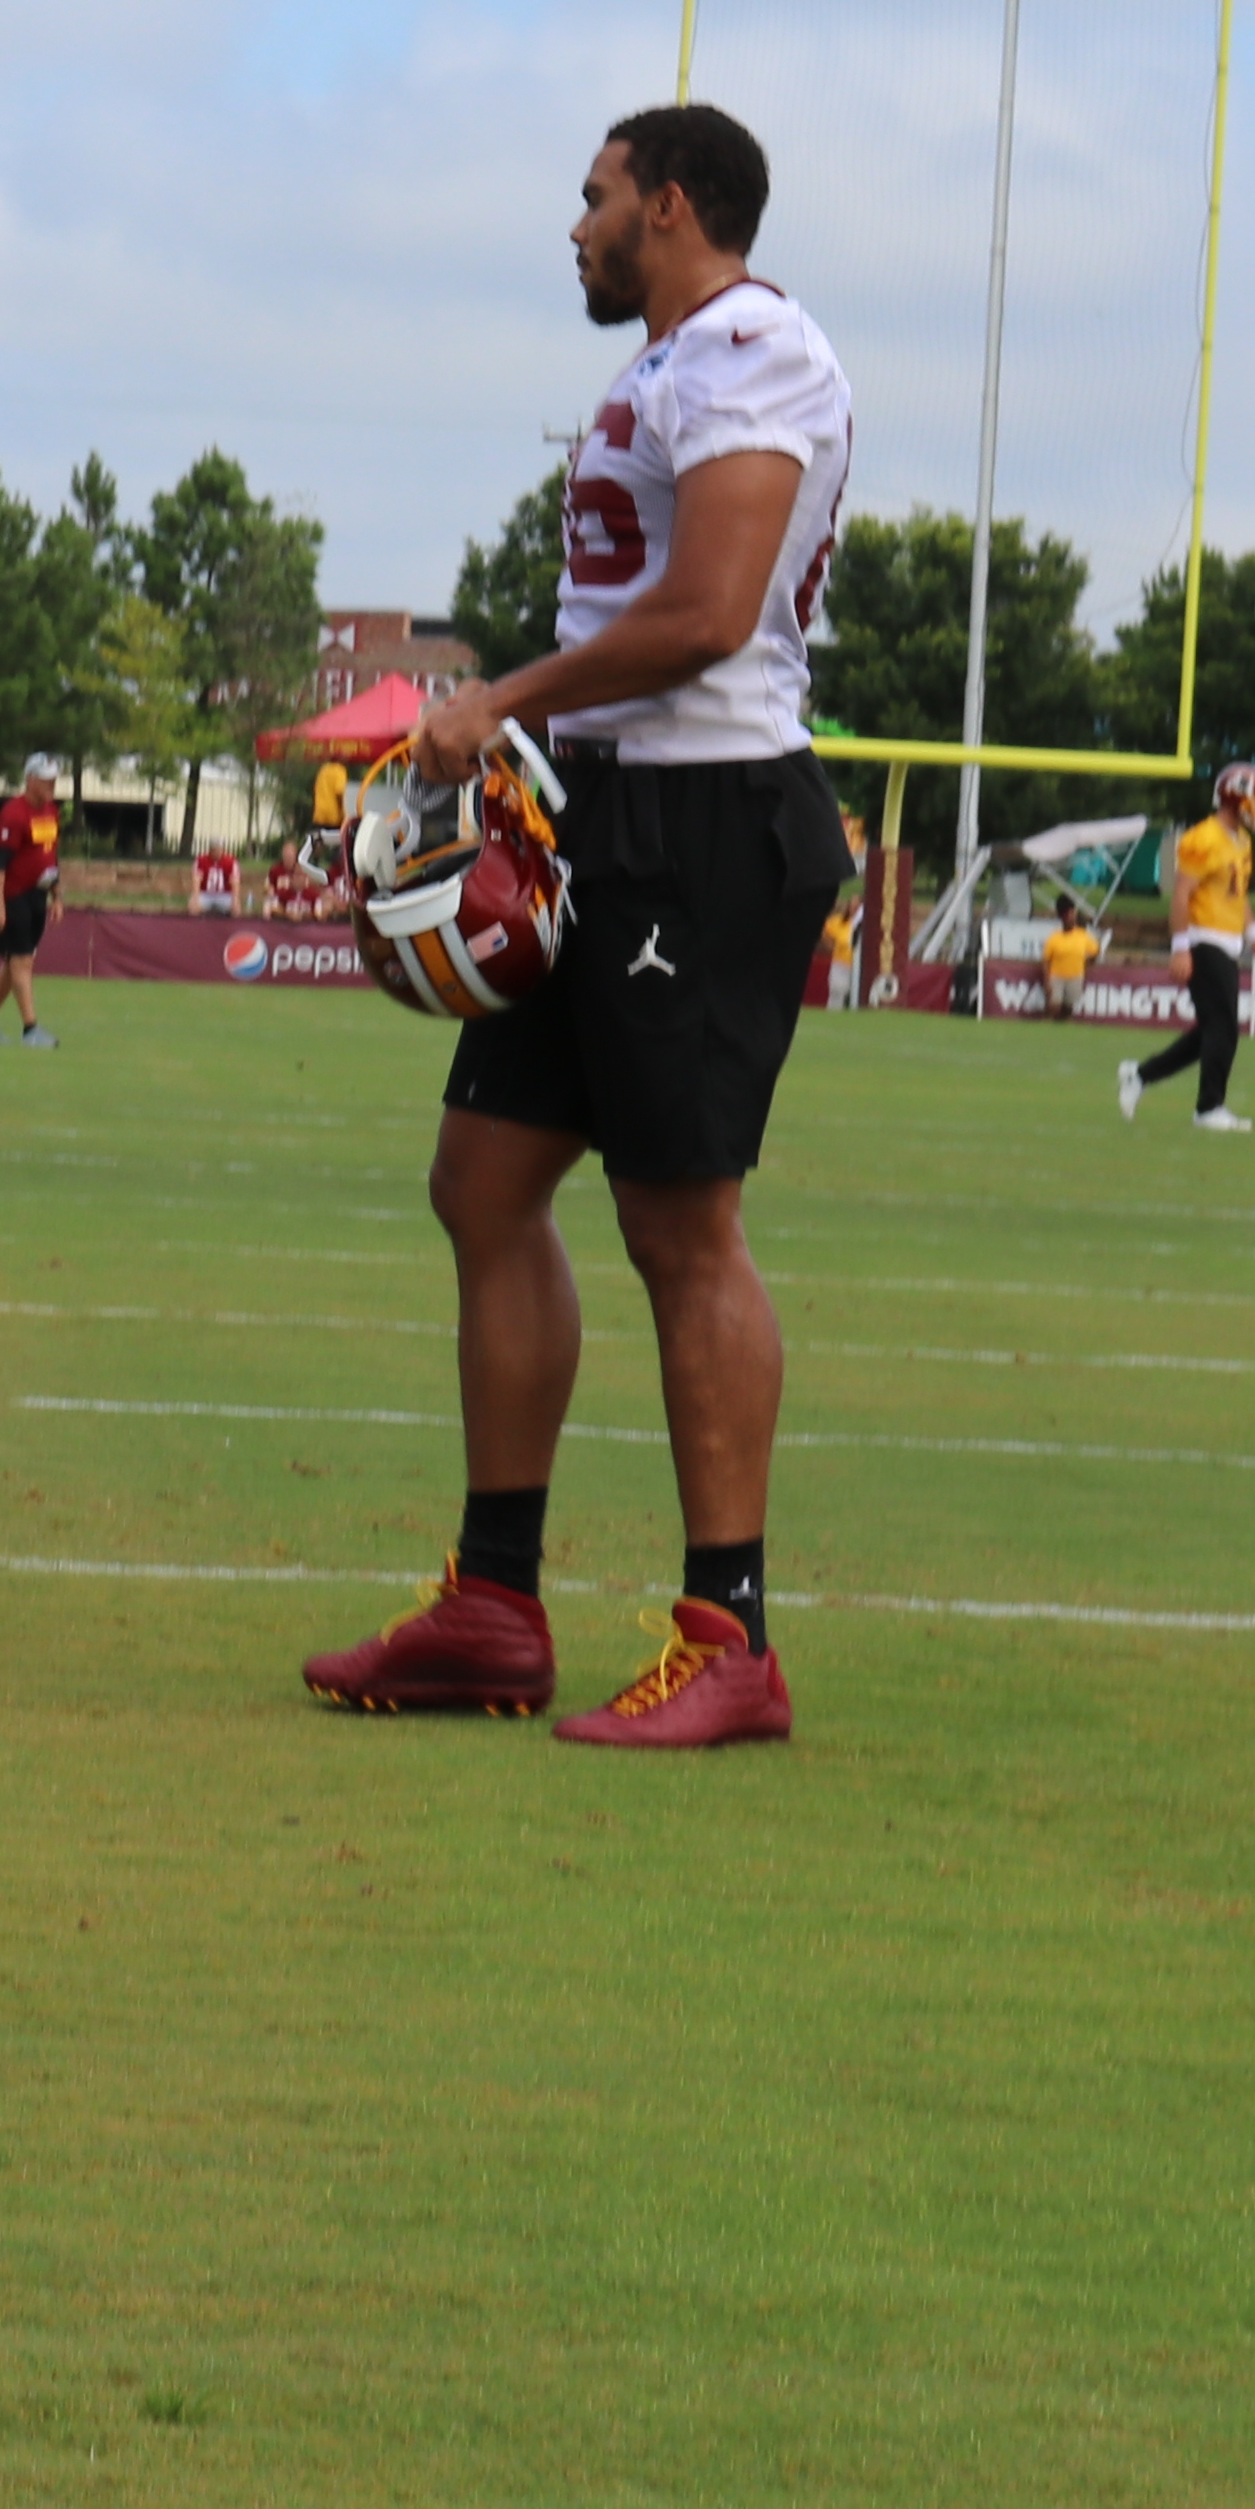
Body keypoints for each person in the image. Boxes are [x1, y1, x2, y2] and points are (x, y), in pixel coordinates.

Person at [304, 102, 853, 1752]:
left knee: (683, 1229)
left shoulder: (755, 347)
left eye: (597, 197)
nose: (577, 226)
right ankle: (494, 1602)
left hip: (707, 822)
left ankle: (730, 1633)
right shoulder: (664, 366)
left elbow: (706, 615)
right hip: (609, 810)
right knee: (483, 1183)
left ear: (669, 205)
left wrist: (501, 707)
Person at [1123, 761, 1255, 1132]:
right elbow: (1180, 896)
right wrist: (1180, 947)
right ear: (1233, 798)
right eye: (1254, 800)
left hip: (1227, 940)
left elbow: (1236, 895)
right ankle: (1209, 1108)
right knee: (1224, 1026)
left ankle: (1140, 1075)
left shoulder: (1240, 839)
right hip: (1202, 937)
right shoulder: (1202, 838)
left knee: (1212, 1028)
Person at [0, 755, 64, 1044]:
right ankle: (30, 1029)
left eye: (54, 778)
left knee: (16, 962)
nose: (52, 784)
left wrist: (56, 895)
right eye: (46, 778)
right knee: (22, 962)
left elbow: (49, 855)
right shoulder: (13, 813)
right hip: (14, 897)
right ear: (30, 779)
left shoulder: (50, 811)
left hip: (37, 894)